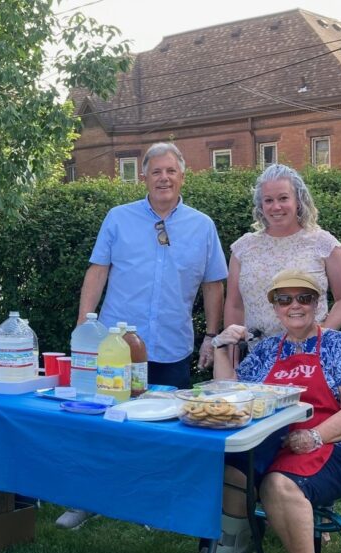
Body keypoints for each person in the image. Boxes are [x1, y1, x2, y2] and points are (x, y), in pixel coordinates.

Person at [167, 270, 341, 553]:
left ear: (317, 304)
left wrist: (314, 436)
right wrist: (221, 347)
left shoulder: (340, 346)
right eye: (284, 299)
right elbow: (230, 394)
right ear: (275, 308)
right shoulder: (266, 351)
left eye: (304, 298)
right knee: (229, 472)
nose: (295, 306)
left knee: (278, 484)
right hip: (275, 444)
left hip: (339, 447)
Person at [60, 142, 226, 530]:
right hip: (116, 347)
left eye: (171, 171)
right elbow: (97, 271)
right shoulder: (118, 218)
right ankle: (88, 499)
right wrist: (85, 325)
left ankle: (156, 505)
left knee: (166, 430)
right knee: (102, 424)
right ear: (143, 177)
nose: (163, 178)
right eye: (156, 171)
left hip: (171, 345)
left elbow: (214, 284)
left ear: (183, 176)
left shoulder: (202, 226)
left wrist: (211, 335)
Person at [224, 164, 341, 337]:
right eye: (268, 200)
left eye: (283, 198)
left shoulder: (323, 243)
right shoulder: (243, 248)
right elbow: (235, 305)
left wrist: (321, 336)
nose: (276, 207)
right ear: (260, 205)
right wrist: (232, 345)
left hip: (309, 350)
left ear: (298, 201)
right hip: (256, 350)